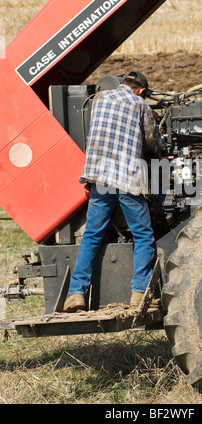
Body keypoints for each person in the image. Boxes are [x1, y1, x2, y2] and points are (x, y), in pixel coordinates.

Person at [63, 71, 158, 313]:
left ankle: (76, 294)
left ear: (124, 83)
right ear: (141, 90)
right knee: (143, 236)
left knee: (92, 235)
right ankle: (139, 294)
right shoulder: (139, 104)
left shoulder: (100, 99)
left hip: (100, 177)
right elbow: (150, 142)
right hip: (127, 178)